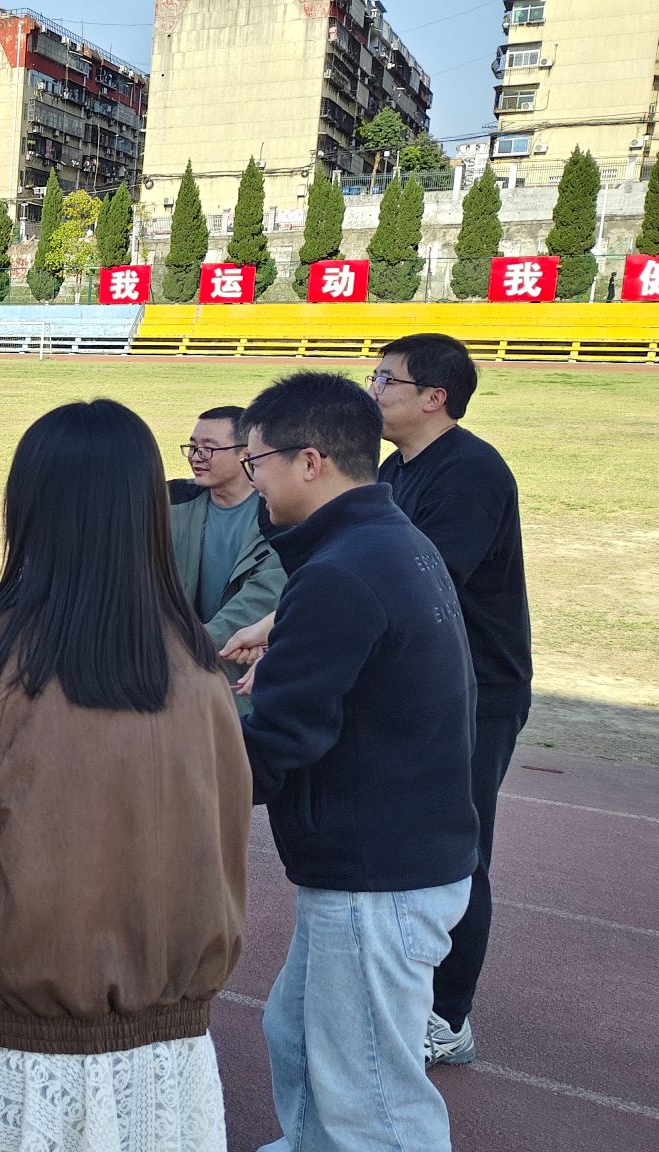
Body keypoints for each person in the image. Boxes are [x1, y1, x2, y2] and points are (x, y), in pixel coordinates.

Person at [0, 400, 249, 1152]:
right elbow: (227, 821)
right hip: (169, 1029)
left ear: (30, 509)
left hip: (26, 1021)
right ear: (146, 512)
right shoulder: (198, 666)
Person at [234, 372, 479, 1152]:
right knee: (300, 1035)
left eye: (255, 462)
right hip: (389, 856)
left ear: (310, 461)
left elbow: (278, 743)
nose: (251, 480)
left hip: (380, 872)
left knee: (373, 1091)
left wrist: (165, 764)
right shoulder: (385, 540)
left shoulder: (342, 571)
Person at [371, 333, 531, 1066]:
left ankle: (448, 1016)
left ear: (434, 398)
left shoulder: (470, 473)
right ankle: (407, 992)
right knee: (404, 842)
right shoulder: (393, 470)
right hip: (422, 681)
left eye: (387, 380)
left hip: (476, 689)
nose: (373, 391)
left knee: (459, 850)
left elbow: (418, 577)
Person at [169, 404, 285, 708]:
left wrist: (178, 652)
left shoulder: (278, 516)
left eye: (209, 448)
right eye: (192, 447)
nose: (196, 457)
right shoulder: (170, 504)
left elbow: (260, 600)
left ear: (246, 454)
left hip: (241, 686)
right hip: (173, 680)